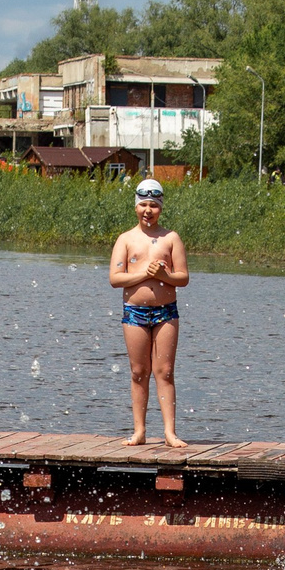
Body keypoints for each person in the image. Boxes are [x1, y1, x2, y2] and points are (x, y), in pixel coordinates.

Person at [109, 177, 189, 448]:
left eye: (153, 205)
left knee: (164, 371)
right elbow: (115, 278)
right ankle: (139, 431)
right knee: (138, 371)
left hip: (166, 312)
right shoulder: (126, 239)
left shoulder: (171, 238)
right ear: (135, 207)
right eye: (143, 204)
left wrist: (165, 275)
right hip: (135, 313)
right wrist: (144, 273)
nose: (147, 210)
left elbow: (183, 278)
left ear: (161, 209)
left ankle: (170, 433)